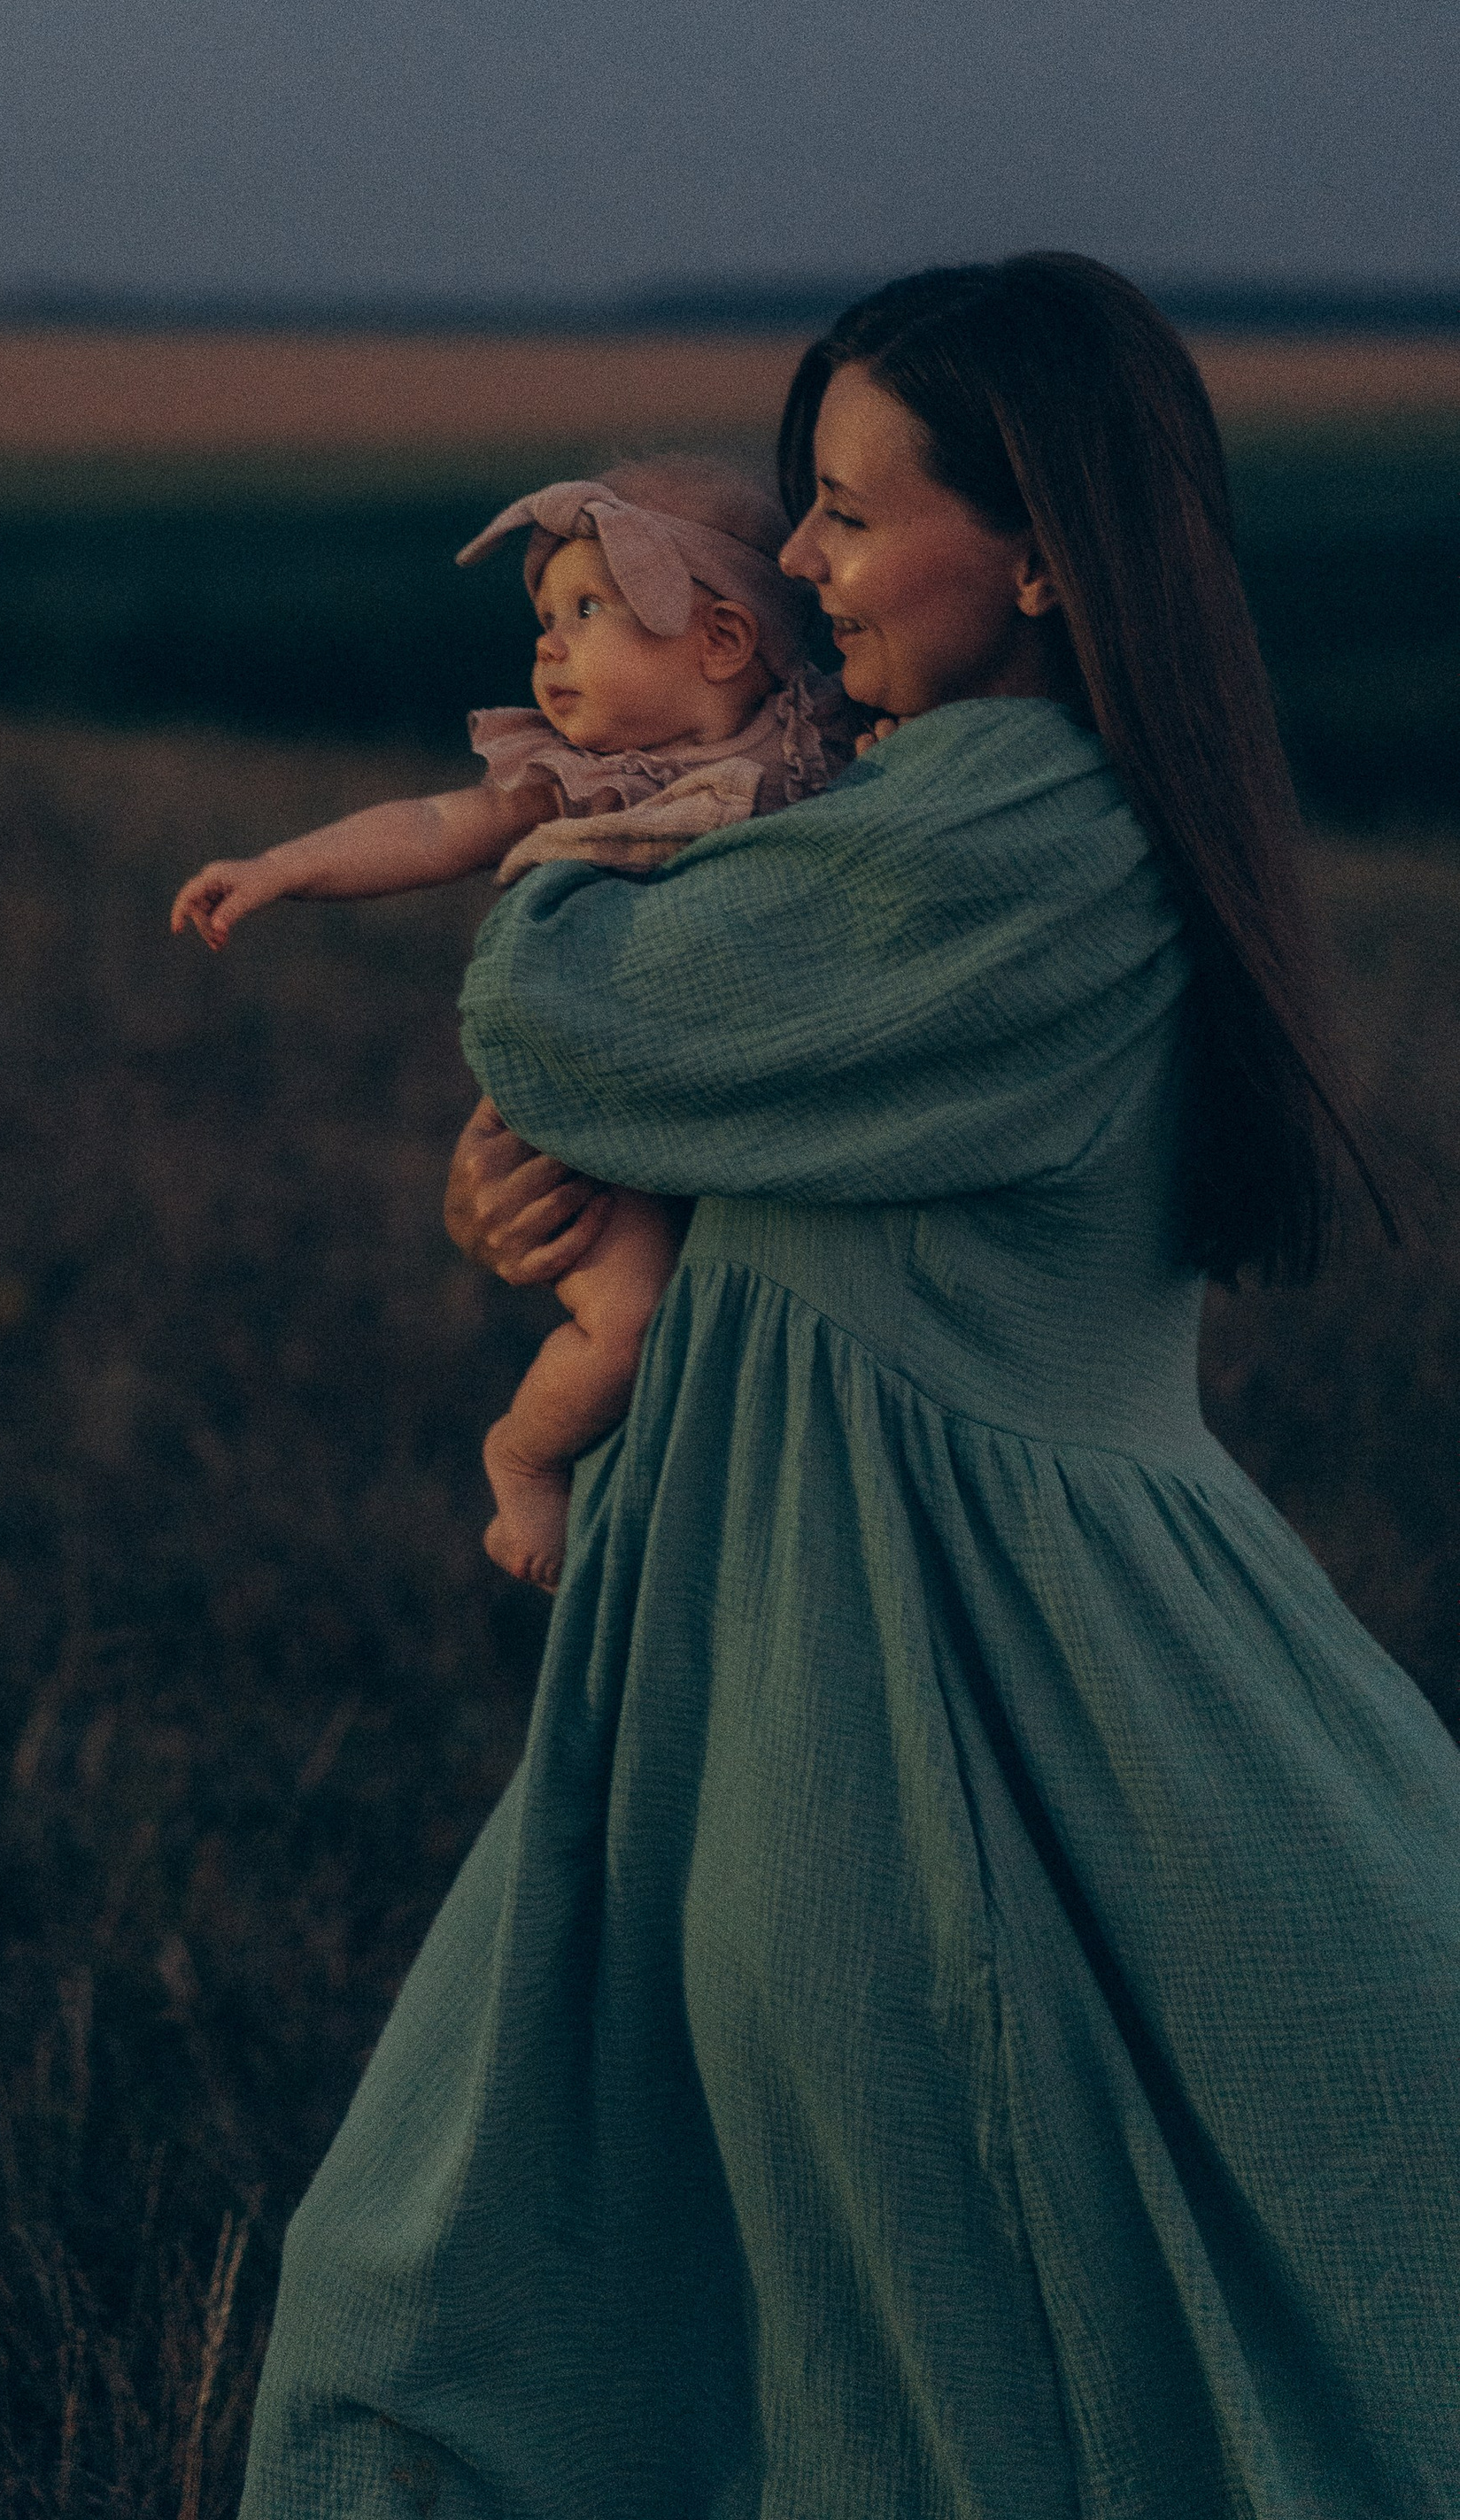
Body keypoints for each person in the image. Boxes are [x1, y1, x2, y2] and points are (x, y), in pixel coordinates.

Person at [237, 256, 1460, 2520]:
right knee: (595, 2278)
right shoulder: (945, 800)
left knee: (874, 2310)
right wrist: (562, 1203)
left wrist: (550, 921)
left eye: (836, 510)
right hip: (796, 1640)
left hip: (944, 1688)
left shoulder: (1014, 818)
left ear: (1039, 553)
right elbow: (680, 1114)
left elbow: (581, 1015)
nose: (793, 564)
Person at [173, 456, 855, 1584]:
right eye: (545, 615)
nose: (547, 643)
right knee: (630, 1322)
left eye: (587, 609)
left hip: (733, 1109)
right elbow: (435, 822)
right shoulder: (575, 782)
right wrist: (281, 867)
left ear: (724, 642)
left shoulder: (818, 752)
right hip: (590, 1127)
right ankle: (526, 1460)